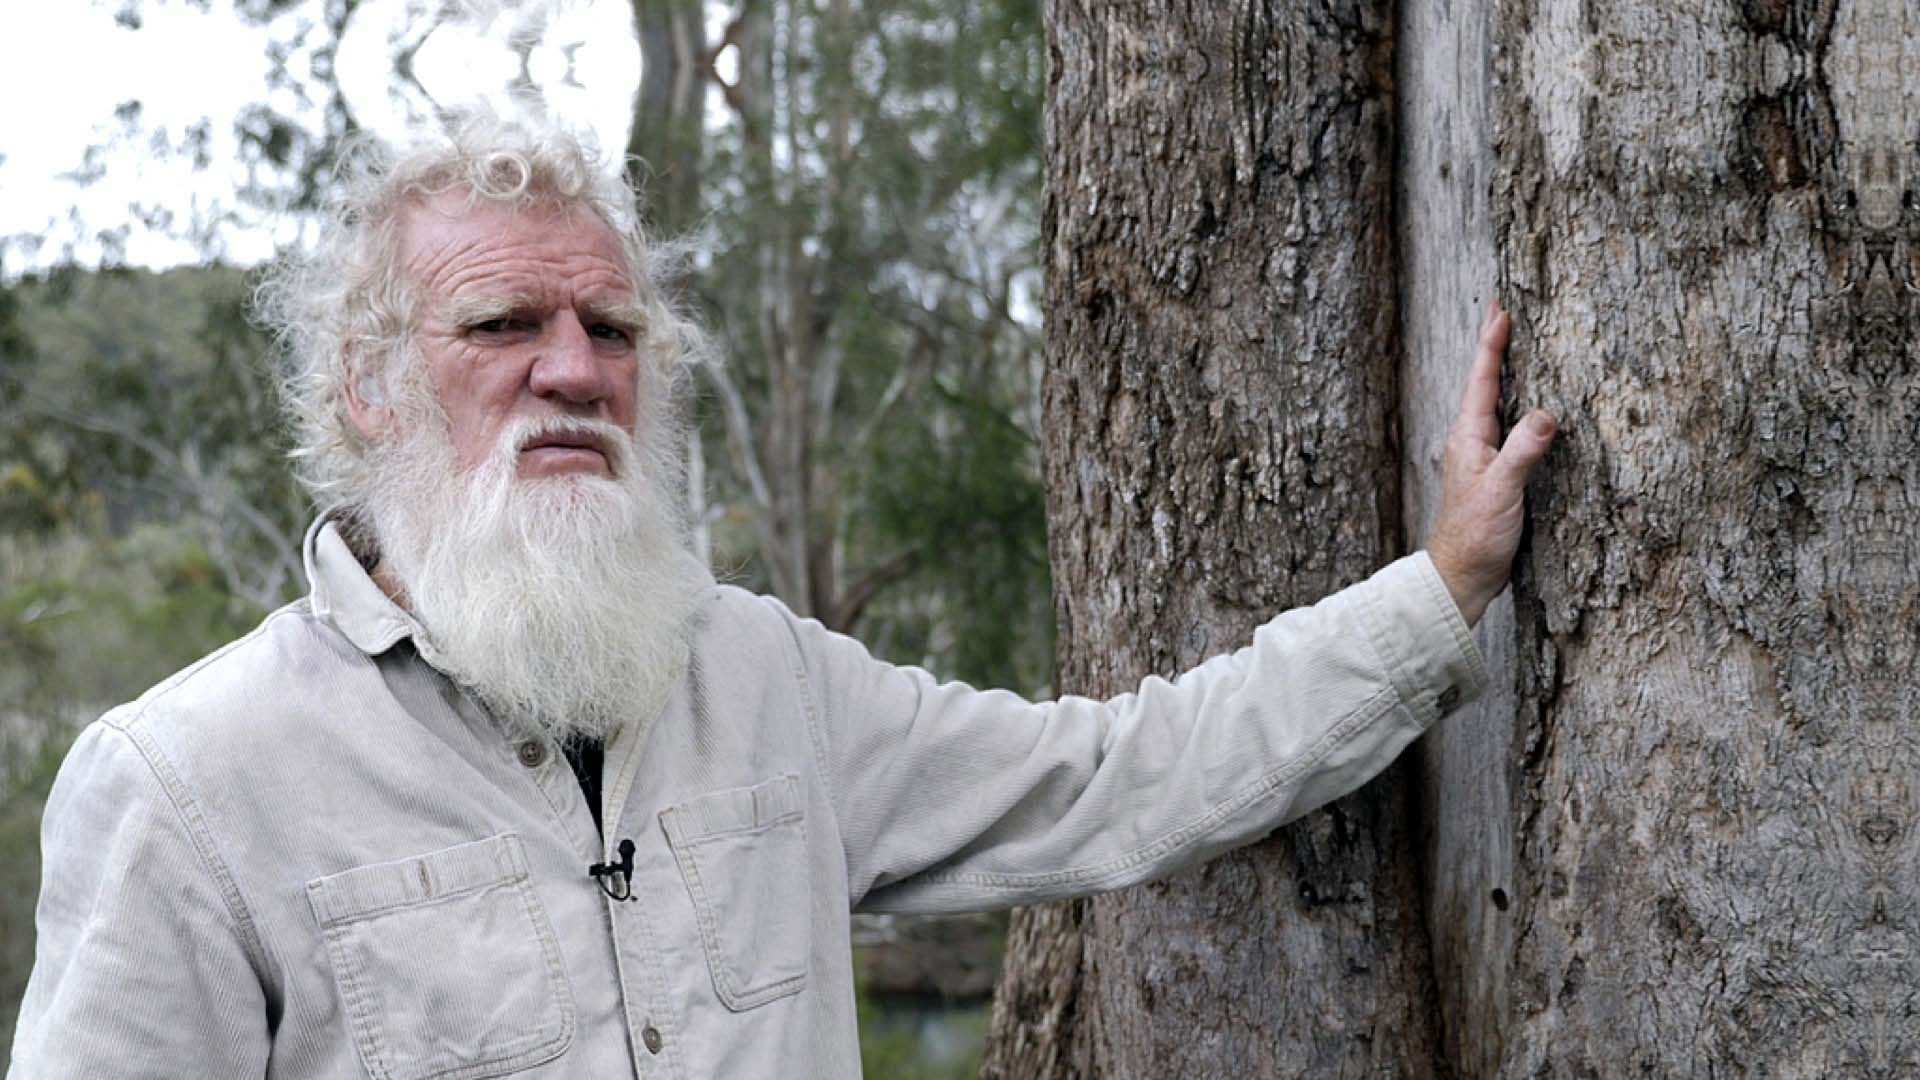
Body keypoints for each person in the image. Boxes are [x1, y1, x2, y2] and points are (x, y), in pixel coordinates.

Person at [8, 119, 1557, 1078]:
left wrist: (1440, 592)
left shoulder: (757, 676)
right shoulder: (186, 782)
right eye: (501, 323)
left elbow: (1117, 775)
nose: (573, 370)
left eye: (611, 327)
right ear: (363, 388)